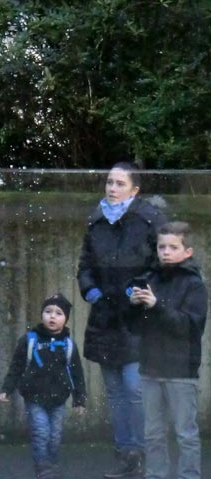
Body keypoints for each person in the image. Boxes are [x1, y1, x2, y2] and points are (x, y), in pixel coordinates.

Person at [76, 162, 168, 479]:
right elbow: (85, 264)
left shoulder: (150, 220)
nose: (112, 188)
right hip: (104, 314)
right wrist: (92, 293)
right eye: (109, 182)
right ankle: (126, 456)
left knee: (135, 388)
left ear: (135, 189)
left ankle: (143, 454)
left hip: (137, 316)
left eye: (119, 183)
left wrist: (135, 289)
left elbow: (161, 263)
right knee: (115, 391)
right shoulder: (97, 219)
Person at [126, 221, 207, 479]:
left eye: (173, 247)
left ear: (188, 252)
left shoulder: (194, 284)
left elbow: (190, 327)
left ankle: (189, 476)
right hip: (150, 367)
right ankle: (155, 476)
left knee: (185, 434)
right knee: (153, 434)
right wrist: (133, 305)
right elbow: (133, 327)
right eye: (162, 246)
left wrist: (155, 306)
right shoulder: (149, 279)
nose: (166, 252)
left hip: (181, 369)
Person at [0, 293, 87, 479]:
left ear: (66, 319)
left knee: (55, 436)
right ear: (41, 315)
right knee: (41, 432)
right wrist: (7, 388)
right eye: (48, 311)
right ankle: (43, 468)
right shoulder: (29, 340)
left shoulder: (69, 345)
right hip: (34, 397)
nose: (52, 316)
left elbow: (77, 374)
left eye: (58, 313)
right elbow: (16, 366)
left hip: (59, 399)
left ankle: (51, 466)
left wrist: (80, 400)